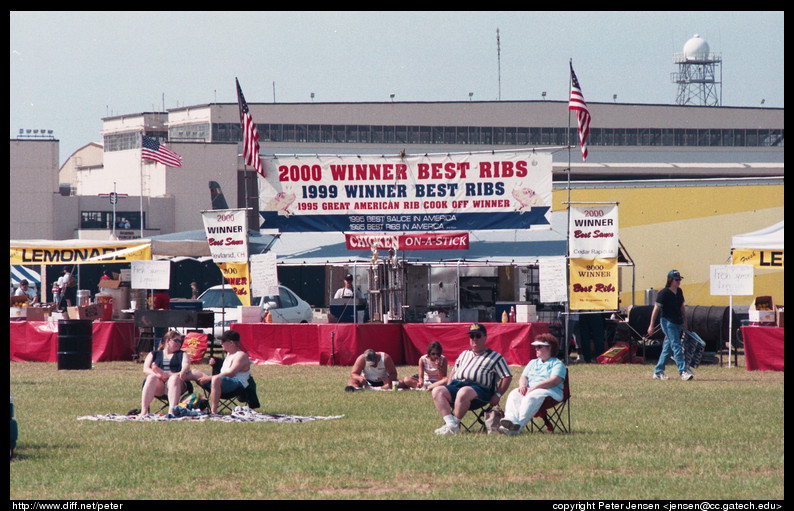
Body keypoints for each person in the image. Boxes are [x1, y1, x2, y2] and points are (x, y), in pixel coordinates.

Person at [431, 323, 512, 435]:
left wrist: (497, 395)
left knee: (464, 392)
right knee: (437, 390)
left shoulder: (495, 357)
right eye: (471, 336)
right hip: (457, 385)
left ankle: (454, 425)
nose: (475, 339)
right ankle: (451, 425)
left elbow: (507, 376)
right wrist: (448, 386)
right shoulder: (464, 354)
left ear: (485, 337)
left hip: (480, 390)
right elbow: (454, 371)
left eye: (478, 336)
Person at [499, 334, 567, 436]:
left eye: (539, 347)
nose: (536, 349)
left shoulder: (557, 364)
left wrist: (535, 387)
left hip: (551, 392)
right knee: (514, 394)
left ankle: (517, 427)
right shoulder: (532, 362)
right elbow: (524, 377)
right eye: (535, 347)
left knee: (533, 395)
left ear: (549, 348)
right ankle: (510, 421)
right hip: (531, 389)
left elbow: (555, 380)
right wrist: (522, 385)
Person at [187, 330, 251, 415]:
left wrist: (209, 378)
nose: (221, 343)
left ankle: (213, 412)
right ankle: (178, 404)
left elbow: (231, 373)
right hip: (222, 382)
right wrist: (215, 362)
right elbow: (224, 372)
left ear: (231, 343)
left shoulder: (241, 356)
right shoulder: (229, 354)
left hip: (236, 385)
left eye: (223, 341)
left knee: (216, 378)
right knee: (194, 373)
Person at [649, 269, 693, 381]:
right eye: (676, 279)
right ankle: (683, 372)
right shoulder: (663, 293)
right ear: (670, 280)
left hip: (678, 322)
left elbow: (681, 307)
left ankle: (658, 371)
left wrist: (685, 321)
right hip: (668, 323)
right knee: (677, 346)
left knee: (668, 348)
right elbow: (656, 309)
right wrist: (651, 325)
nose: (679, 282)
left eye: (679, 279)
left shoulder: (679, 292)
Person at [139, 330, 191, 418]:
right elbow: (146, 369)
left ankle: (171, 412)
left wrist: (168, 375)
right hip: (159, 383)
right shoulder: (154, 354)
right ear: (168, 341)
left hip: (176, 383)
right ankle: (144, 411)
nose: (179, 343)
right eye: (176, 341)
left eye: (180, 341)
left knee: (173, 379)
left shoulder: (182, 354)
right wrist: (159, 376)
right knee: (151, 377)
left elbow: (185, 367)